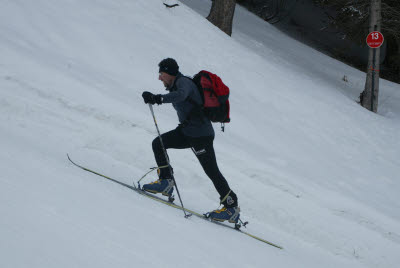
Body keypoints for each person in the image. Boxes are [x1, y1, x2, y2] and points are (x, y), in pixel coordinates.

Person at [141, 58, 240, 223]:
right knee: (158, 143)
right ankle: (165, 181)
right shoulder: (176, 84)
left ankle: (231, 207)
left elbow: (181, 96)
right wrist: (155, 98)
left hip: (201, 136)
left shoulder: (183, 83)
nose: (159, 78)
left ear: (170, 73)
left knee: (211, 171)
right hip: (187, 132)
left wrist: (158, 98)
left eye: (161, 74)